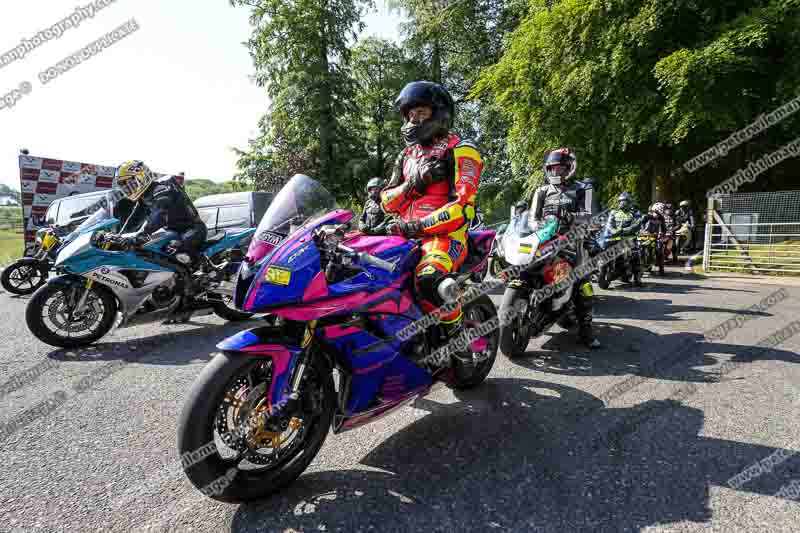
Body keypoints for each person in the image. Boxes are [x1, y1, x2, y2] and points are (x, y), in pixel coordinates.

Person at [381, 80, 481, 363]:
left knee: (427, 280)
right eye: (410, 114)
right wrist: (412, 184)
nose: (414, 119)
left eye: (421, 113)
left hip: (445, 238)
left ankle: (457, 337)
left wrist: (417, 227)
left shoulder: (461, 150)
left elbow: (462, 209)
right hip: (401, 235)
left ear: (440, 114)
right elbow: (387, 201)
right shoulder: (406, 155)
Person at [528, 147, 601, 349]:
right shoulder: (541, 191)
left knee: (581, 281)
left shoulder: (582, 189)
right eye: (552, 169)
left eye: (560, 169)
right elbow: (532, 219)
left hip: (573, 241)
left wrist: (573, 218)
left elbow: (592, 217)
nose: (555, 173)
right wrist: (540, 227)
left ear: (570, 168)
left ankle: (586, 330)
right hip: (545, 241)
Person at [114, 160, 208, 306]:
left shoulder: (162, 188)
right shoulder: (144, 197)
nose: (127, 187)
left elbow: (160, 213)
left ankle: (192, 294)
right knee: (152, 253)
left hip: (191, 228)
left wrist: (142, 234)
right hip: (172, 231)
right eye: (123, 185)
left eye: (129, 183)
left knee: (176, 253)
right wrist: (119, 236)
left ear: (141, 177)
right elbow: (133, 219)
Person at [604, 192, 644, 286]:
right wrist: (613, 231)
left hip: (629, 239)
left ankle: (637, 277)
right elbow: (609, 224)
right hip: (614, 239)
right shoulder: (613, 212)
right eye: (621, 201)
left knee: (635, 255)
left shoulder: (635, 213)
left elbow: (637, 225)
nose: (622, 203)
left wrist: (624, 230)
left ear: (629, 202)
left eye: (625, 201)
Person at [641, 204, 667, 276]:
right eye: (656, 212)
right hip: (645, 236)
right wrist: (643, 230)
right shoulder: (646, 217)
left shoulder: (661, 218)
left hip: (656, 236)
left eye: (660, 212)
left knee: (659, 248)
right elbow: (641, 224)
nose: (658, 214)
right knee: (639, 248)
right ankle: (641, 266)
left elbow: (664, 229)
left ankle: (661, 268)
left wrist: (661, 233)